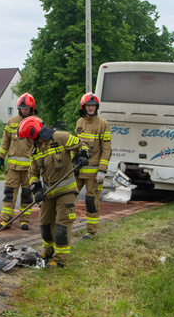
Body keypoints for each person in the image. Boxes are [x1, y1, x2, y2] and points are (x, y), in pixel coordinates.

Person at [18, 115, 89, 268]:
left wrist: (83, 155)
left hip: (66, 191)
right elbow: (32, 173)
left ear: (34, 134)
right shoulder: (35, 151)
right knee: (44, 223)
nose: (27, 142)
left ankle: (60, 260)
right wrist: (36, 189)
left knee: (61, 225)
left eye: (27, 139)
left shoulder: (61, 138)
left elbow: (82, 144)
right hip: (48, 193)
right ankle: (48, 251)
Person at [0, 93, 37, 231]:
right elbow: (5, 141)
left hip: (30, 169)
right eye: (22, 108)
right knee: (9, 194)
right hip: (12, 168)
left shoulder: (37, 123)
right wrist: (1, 157)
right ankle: (5, 221)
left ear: (32, 108)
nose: (24, 110)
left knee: (27, 195)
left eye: (27, 108)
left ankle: (25, 221)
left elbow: (43, 144)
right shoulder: (11, 122)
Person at [74, 92, 111, 239]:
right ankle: (66, 225)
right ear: (83, 107)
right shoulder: (79, 123)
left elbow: (106, 149)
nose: (91, 108)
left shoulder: (103, 124)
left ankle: (91, 231)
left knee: (91, 202)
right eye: (88, 105)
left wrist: (102, 170)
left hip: (94, 173)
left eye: (93, 105)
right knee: (69, 198)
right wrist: (73, 163)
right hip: (78, 171)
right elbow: (75, 145)